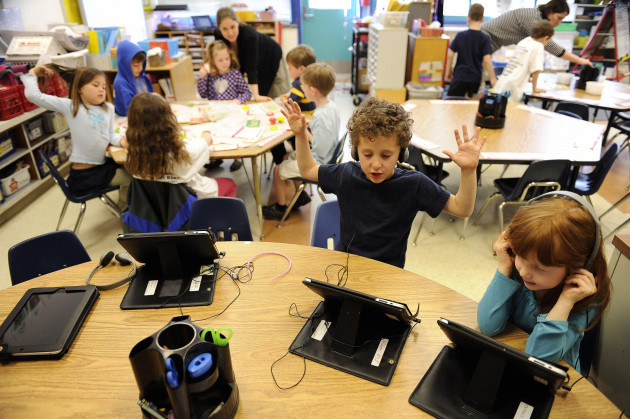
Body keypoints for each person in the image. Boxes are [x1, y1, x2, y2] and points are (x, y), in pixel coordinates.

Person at [282, 96, 485, 268]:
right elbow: (308, 170)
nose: (376, 164)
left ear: (401, 153)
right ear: (355, 152)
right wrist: (300, 135)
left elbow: (462, 209)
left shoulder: (414, 184)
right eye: (367, 154)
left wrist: (468, 171)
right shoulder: (346, 174)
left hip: (388, 274)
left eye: (386, 155)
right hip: (346, 268)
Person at [477, 195, 611, 373]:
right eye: (520, 256)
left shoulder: (581, 297)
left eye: (539, 267)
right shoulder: (517, 272)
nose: (524, 272)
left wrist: (566, 301)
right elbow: (487, 326)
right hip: (510, 360)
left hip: (550, 377)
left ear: (577, 267)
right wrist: (504, 268)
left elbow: (538, 357)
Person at [21, 65, 131, 209]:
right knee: (133, 179)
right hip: (84, 176)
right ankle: (125, 211)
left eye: (104, 87)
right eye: (96, 85)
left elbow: (110, 134)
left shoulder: (108, 108)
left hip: (102, 165)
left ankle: (127, 207)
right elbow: (33, 96)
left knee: (131, 169)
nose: (101, 90)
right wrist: (33, 72)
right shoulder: (72, 107)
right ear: (79, 89)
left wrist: (122, 141)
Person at [262, 63, 340, 221]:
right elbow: (325, 138)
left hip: (320, 164)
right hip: (328, 158)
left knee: (278, 170)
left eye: (303, 86)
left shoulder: (319, 116)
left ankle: (281, 209)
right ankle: (300, 196)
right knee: (287, 157)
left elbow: (321, 149)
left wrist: (303, 132)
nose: (302, 89)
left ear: (313, 90)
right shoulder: (331, 106)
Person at [124, 93, 237, 198]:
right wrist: (206, 136)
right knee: (230, 184)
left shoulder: (134, 151)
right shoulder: (180, 152)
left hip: (152, 204)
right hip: (186, 200)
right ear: (167, 120)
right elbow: (203, 143)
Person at [481, 0, 593, 68]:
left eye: (562, 20)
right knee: (475, 82)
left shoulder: (537, 17)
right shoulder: (534, 20)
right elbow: (551, 46)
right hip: (481, 40)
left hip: (488, 43)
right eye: (559, 18)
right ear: (550, 11)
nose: (559, 23)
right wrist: (579, 60)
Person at [213, 7, 290, 102]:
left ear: (238, 23)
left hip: (271, 55)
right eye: (225, 29)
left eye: (233, 27)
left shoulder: (249, 35)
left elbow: (251, 67)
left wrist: (256, 95)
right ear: (219, 28)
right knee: (261, 92)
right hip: (253, 59)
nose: (230, 32)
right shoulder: (218, 35)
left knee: (275, 92)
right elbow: (222, 57)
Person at [492, 20, 554, 103]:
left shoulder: (524, 41)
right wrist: (535, 88)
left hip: (502, 81)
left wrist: (527, 77)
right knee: (508, 108)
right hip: (513, 86)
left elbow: (521, 63)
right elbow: (536, 70)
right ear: (546, 38)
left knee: (497, 106)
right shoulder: (538, 46)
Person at [446, 3, 496, 98]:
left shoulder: (460, 35)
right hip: (475, 78)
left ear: (468, 18)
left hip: (460, 76)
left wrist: (448, 71)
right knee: (471, 103)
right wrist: (493, 79)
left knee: (453, 102)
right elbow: (487, 59)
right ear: (482, 19)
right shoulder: (485, 38)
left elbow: (450, 55)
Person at [113, 40, 154, 116]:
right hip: (131, 117)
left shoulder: (142, 77)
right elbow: (131, 110)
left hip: (147, 114)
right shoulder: (120, 83)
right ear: (125, 64)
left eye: (142, 64)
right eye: (136, 65)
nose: (141, 68)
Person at [283, 44, 317, 113]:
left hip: (304, 116)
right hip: (312, 114)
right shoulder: (313, 79)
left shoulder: (298, 84)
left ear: (301, 69)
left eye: (290, 67)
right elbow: (303, 96)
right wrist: (291, 95)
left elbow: (290, 107)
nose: (288, 70)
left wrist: (284, 102)